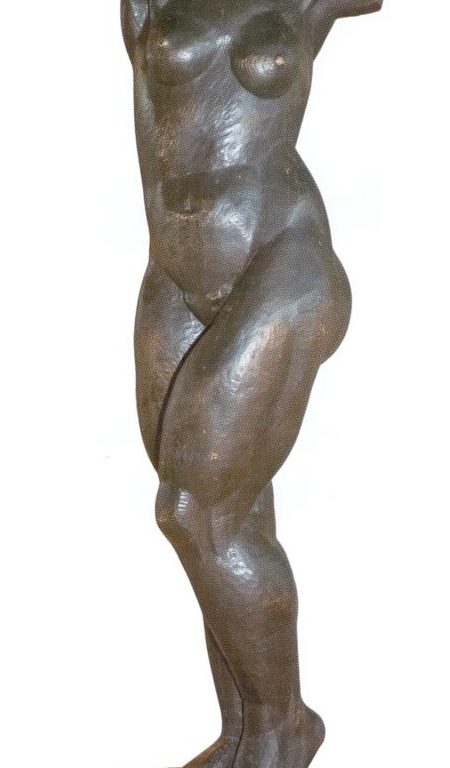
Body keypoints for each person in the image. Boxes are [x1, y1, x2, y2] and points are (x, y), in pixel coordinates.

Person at [121, 1, 382, 766]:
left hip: (282, 263)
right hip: (174, 278)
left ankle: (283, 730)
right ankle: (242, 733)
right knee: (228, 523)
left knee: (195, 512)